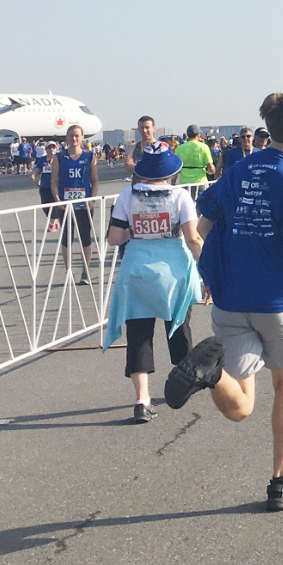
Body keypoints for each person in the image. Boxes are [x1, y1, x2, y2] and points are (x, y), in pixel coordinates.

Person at [164, 93, 283, 512]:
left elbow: (200, 231)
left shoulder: (237, 170)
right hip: (276, 298)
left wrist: (210, 272)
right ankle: (281, 481)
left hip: (231, 296)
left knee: (241, 402)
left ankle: (210, 374)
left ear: (267, 129)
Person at [105, 142, 205, 423]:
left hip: (137, 269)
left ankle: (142, 400)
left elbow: (114, 238)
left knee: (139, 334)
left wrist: (136, 229)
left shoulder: (127, 195)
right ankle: (183, 383)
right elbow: (193, 238)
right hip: (173, 272)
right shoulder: (180, 196)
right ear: (172, 172)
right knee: (178, 326)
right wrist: (208, 272)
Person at [50, 125, 99, 285]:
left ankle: (85, 271)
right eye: (71, 135)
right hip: (65, 204)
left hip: (84, 204)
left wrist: (91, 199)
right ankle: (68, 271)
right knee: (66, 238)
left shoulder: (89, 156)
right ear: (67, 138)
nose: (74, 138)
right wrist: (58, 200)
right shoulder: (59, 157)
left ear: (83, 138)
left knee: (85, 237)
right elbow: (54, 181)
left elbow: (94, 180)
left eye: (77, 135)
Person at [174, 124, 216, 188]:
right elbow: (211, 168)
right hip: (201, 182)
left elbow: (175, 169)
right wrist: (210, 172)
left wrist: (173, 184)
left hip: (185, 183)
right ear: (198, 134)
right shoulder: (203, 147)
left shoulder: (179, 148)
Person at [31, 141, 59, 226]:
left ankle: (54, 222)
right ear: (46, 149)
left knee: (55, 203)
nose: (51, 149)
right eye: (49, 147)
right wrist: (33, 174)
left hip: (56, 185)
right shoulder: (43, 159)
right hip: (44, 185)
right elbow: (38, 169)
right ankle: (53, 220)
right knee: (45, 205)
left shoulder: (59, 158)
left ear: (56, 148)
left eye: (53, 147)